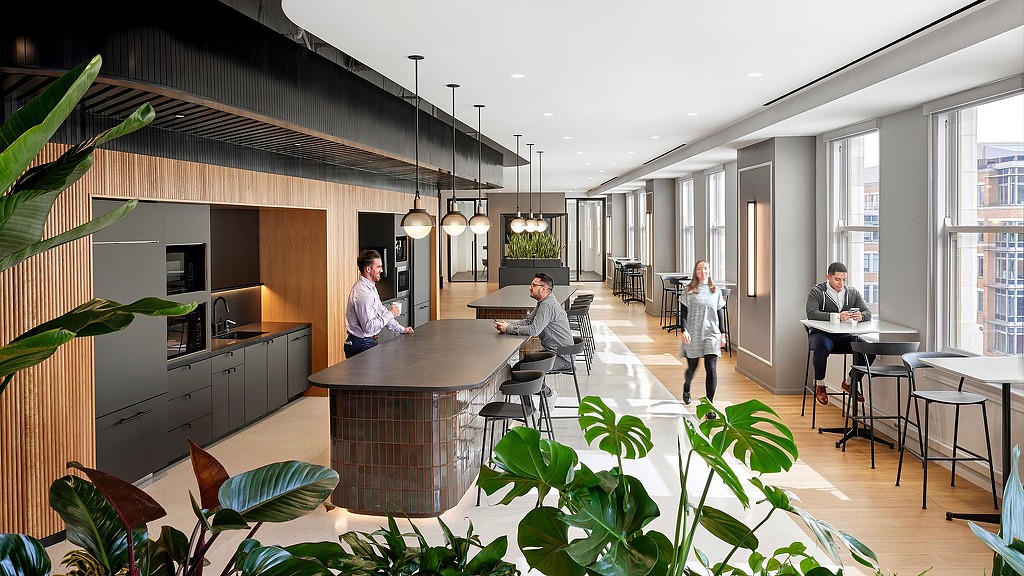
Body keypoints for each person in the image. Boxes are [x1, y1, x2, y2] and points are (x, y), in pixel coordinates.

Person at [805, 261, 873, 406]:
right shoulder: (817, 292)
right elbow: (811, 313)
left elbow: (868, 313)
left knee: (869, 350)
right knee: (822, 348)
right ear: (828, 277)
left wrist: (861, 316)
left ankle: (850, 382)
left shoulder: (852, 292)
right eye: (837, 279)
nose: (841, 283)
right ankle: (820, 385)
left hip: (845, 336)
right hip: (821, 335)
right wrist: (837, 316)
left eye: (844, 280)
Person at [495, 273, 574, 372]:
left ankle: (538, 383)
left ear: (544, 288)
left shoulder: (547, 305)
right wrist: (508, 326)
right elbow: (528, 321)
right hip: (553, 352)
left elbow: (534, 331)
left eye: (533, 285)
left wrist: (508, 328)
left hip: (561, 358)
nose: (530, 288)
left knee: (519, 369)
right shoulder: (544, 302)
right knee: (523, 363)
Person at [678, 260, 727, 417]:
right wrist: (684, 330)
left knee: (711, 368)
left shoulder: (716, 291)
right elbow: (683, 313)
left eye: (705, 268)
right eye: (699, 269)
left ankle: (709, 406)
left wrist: (723, 334)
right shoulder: (688, 291)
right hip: (693, 333)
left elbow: (719, 313)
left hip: (711, 333)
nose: (702, 271)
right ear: (695, 272)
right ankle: (687, 386)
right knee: (692, 368)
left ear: (709, 271)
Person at [344, 249, 413, 358]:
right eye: (378, 267)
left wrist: (401, 329)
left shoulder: (371, 288)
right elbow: (369, 327)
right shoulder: (364, 294)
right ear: (368, 269)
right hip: (361, 345)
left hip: (365, 343)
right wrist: (391, 314)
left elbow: (381, 311)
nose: (381, 270)